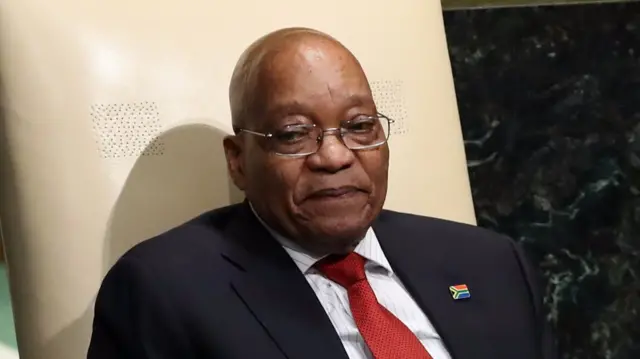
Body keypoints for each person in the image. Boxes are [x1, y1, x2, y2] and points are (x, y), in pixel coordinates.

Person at [87, 27, 556, 359]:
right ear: (238, 161)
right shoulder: (163, 292)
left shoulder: (493, 265)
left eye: (359, 126)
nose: (334, 156)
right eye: (293, 134)